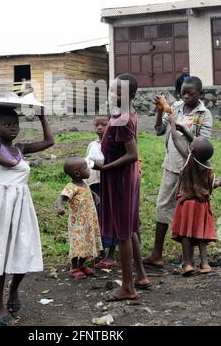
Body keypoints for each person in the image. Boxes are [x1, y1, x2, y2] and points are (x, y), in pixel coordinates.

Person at [0, 106, 54, 326]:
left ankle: (14, 289)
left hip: (20, 207)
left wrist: (42, 117)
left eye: (15, 124)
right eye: (6, 125)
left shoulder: (20, 148)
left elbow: (49, 142)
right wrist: (15, 163)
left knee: (23, 250)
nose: (12, 128)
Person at [144, 76, 213, 269]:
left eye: (191, 93)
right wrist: (160, 112)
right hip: (172, 164)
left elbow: (203, 145)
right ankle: (157, 253)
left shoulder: (204, 114)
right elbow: (159, 131)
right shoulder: (174, 107)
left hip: (192, 170)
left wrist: (182, 128)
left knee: (188, 210)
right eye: (184, 92)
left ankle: (189, 260)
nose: (187, 96)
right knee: (163, 205)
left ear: (200, 94)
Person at [94, 74, 150, 301]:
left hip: (121, 180)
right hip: (125, 177)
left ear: (132, 96)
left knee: (123, 234)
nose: (114, 95)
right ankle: (141, 276)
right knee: (130, 228)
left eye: (120, 92)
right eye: (113, 89)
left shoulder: (123, 119)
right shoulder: (122, 115)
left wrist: (106, 167)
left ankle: (128, 287)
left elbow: (132, 154)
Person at [169, 115, 219, 275]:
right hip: (202, 205)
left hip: (186, 204)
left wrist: (172, 125)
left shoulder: (188, 159)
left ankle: (188, 264)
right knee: (201, 234)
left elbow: (177, 141)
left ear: (191, 150)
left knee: (185, 234)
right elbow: (213, 184)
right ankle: (205, 264)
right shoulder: (207, 167)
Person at [57, 157, 103, 279]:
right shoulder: (71, 186)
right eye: (86, 168)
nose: (88, 170)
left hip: (89, 222)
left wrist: (95, 195)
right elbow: (61, 197)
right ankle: (74, 268)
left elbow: (88, 191)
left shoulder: (84, 183)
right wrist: (60, 207)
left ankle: (81, 265)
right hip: (78, 224)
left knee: (87, 243)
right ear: (77, 173)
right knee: (78, 245)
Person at [85, 115, 118, 268]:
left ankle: (111, 254)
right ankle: (100, 252)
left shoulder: (115, 144)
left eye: (103, 124)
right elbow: (87, 165)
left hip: (111, 186)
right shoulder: (93, 145)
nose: (99, 127)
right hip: (96, 187)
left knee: (111, 219)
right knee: (98, 219)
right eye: (96, 124)